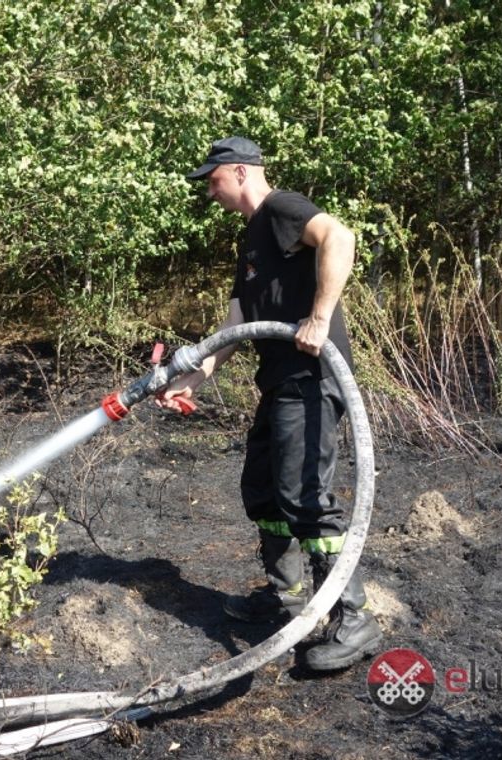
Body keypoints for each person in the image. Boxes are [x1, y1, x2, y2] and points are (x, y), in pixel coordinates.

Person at [158, 136, 383, 671]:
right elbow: (237, 324)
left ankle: (352, 617)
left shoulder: (281, 208)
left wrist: (320, 316)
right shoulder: (251, 242)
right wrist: (197, 377)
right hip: (278, 381)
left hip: (310, 375)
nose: (209, 191)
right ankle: (284, 596)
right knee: (263, 489)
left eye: (213, 179)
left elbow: (339, 235)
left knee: (304, 493)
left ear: (239, 172)